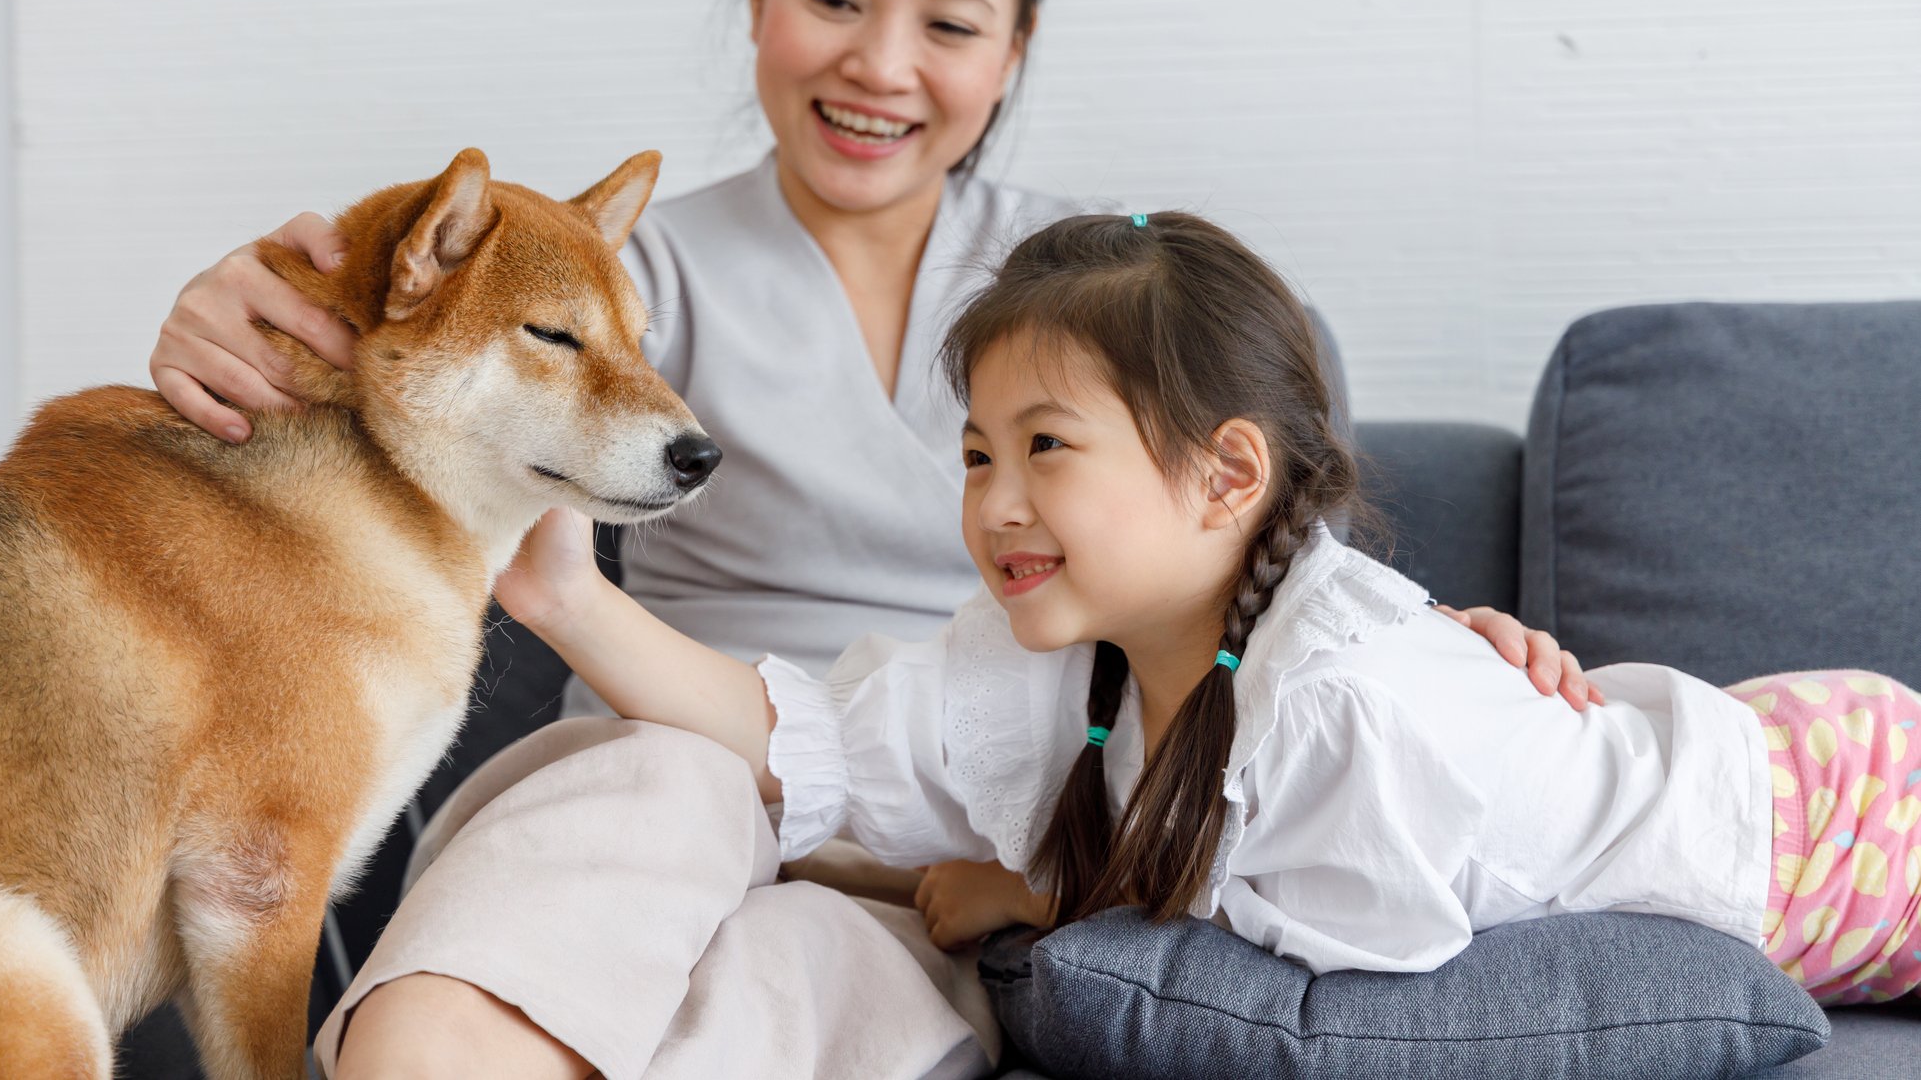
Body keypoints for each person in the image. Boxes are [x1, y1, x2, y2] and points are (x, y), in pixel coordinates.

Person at [147, 0, 1596, 1069]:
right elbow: (399, 338)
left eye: (951, 24)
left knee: (811, 975)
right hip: (675, 761)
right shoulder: (614, 277)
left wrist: (1432, 652)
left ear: (1014, 48)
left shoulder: (1113, 301)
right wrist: (246, 312)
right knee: (625, 829)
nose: (880, 66)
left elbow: (1268, 605)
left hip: (948, 838)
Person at [355, 207, 1917, 1077]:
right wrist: (564, 591)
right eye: (975, 452)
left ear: (1225, 477)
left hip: (1824, 811)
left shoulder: (1338, 707)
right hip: (1752, 746)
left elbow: (1355, 993)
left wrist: (1028, 904)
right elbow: (792, 739)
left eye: (1048, 449)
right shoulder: (1061, 661)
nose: (995, 501)